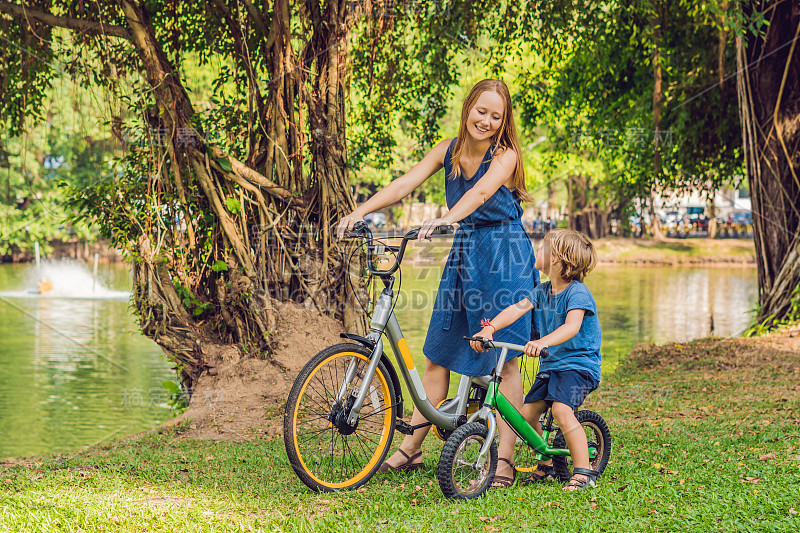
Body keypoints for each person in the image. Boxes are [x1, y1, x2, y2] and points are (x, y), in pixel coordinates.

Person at [337, 79, 539, 487]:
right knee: (438, 352)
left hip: (504, 256)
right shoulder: (447, 151)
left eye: (496, 116)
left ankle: (503, 460)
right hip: (465, 255)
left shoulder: (506, 156)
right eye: (481, 111)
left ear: (503, 123)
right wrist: (359, 211)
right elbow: (403, 185)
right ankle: (412, 448)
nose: (486, 120)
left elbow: (482, 193)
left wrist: (449, 218)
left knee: (505, 359)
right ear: (468, 109)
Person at [470, 228, 601, 491]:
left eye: (541, 248)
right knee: (525, 417)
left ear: (556, 259)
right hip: (552, 366)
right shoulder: (541, 291)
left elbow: (571, 327)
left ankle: (583, 472)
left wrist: (542, 341)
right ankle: (549, 459)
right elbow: (515, 309)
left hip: (578, 366)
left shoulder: (577, 293)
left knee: (561, 410)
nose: (536, 251)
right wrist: (490, 329)